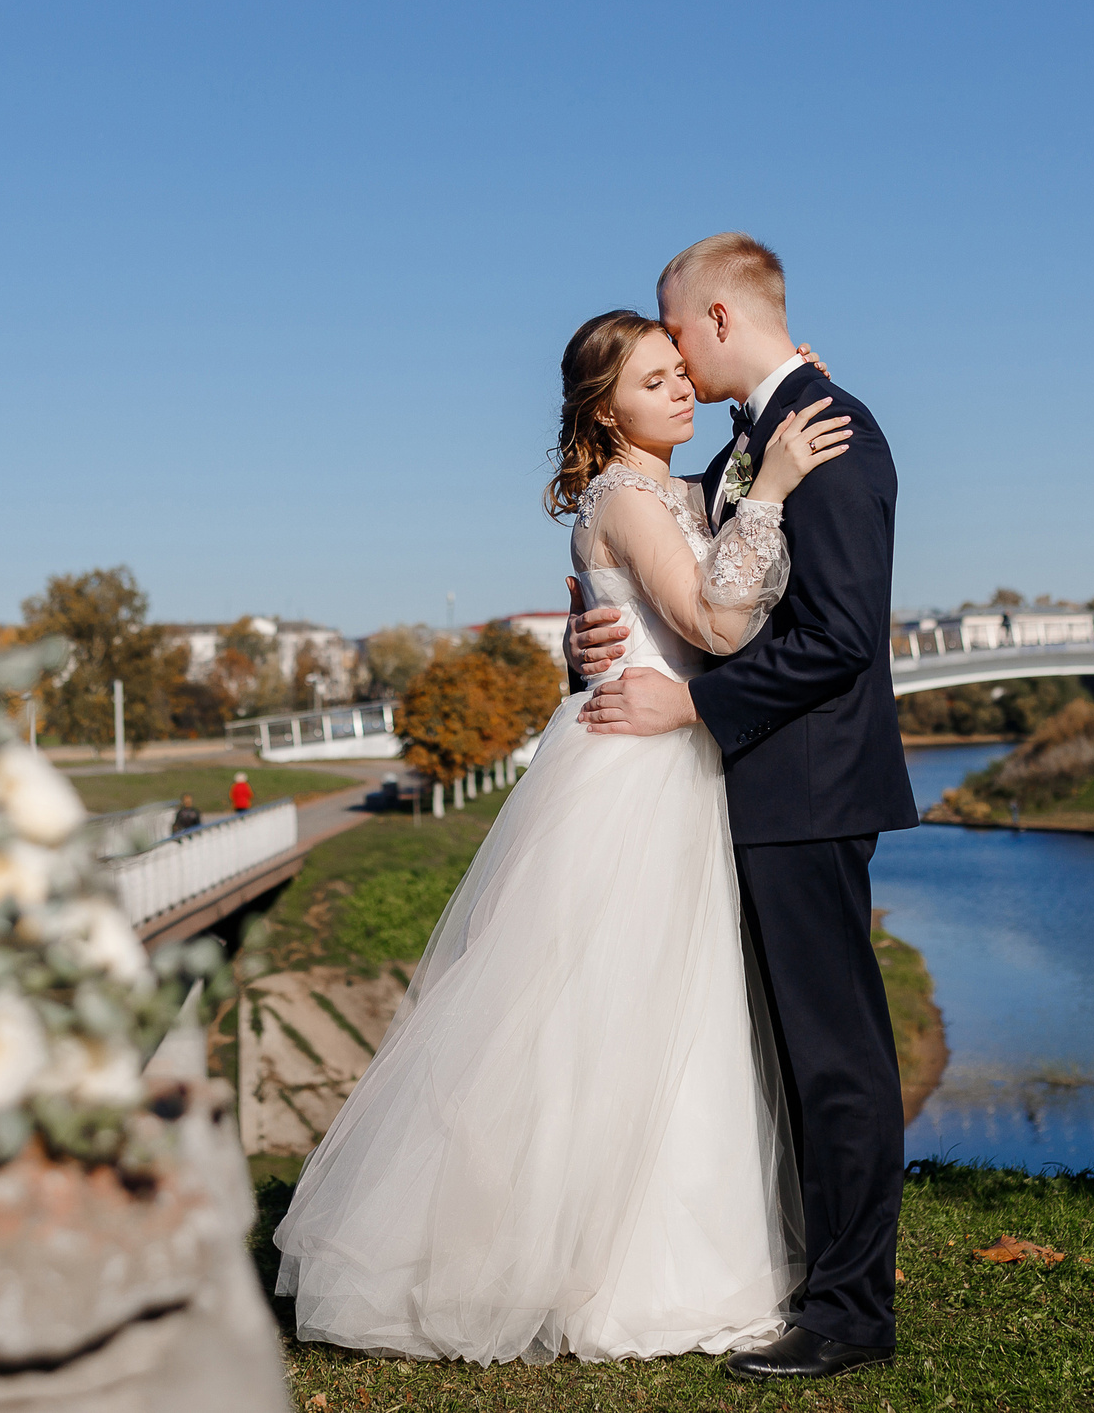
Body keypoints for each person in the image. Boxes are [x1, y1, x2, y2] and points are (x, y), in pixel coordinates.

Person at [274, 304, 854, 1364]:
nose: (679, 390)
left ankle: (662, 1253)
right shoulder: (629, 497)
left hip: (663, 757)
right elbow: (720, 624)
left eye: (683, 373)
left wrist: (773, 392)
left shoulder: (657, 487)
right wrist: (769, 489)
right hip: (636, 771)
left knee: (666, 1016)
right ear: (603, 409)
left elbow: (684, 547)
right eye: (652, 383)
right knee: (612, 1013)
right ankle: (605, 1269)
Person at [573, 233, 919, 1382]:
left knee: (835, 1056)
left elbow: (833, 640)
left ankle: (851, 1313)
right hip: (752, 787)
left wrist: (693, 708)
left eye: (676, 330)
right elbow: (693, 572)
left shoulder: (830, 433)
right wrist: (593, 641)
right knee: (782, 1052)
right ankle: (807, 1272)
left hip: (806, 786)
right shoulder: (754, 439)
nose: (669, 349)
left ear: (717, 319)